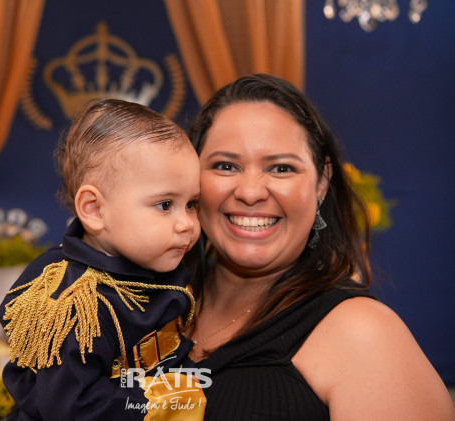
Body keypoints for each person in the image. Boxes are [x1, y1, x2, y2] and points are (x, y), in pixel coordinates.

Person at [184, 73, 455, 421]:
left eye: (281, 168)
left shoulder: (363, 333)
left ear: (322, 182)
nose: (250, 192)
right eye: (225, 166)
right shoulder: (151, 306)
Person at [0, 99, 207, 420]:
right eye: (165, 205)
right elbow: (71, 406)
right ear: (94, 210)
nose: (186, 224)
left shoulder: (154, 263)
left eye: (191, 204)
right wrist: (158, 405)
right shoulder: (78, 306)